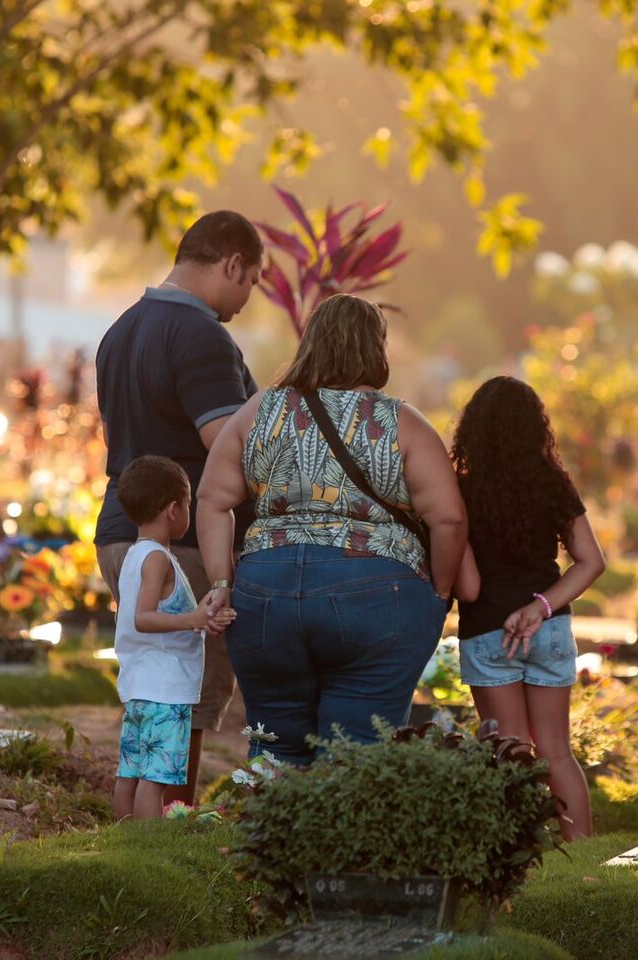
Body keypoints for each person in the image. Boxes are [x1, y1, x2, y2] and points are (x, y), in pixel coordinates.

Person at [195, 294, 468, 766]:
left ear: (311, 341)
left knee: (277, 746)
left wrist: (222, 583)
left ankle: (271, 832)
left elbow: (212, 500)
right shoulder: (399, 421)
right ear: (375, 347)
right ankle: (346, 831)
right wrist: (439, 591)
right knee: (358, 748)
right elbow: (449, 519)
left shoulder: (258, 411)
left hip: (266, 593)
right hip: (376, 590)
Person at [94, 210, 262, 802]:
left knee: (150, 686)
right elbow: (226, 440)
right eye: (249, 284)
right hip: (182, 540)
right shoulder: (203, 335)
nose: (244, 302)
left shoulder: (121, 329)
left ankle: (136, 823)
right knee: (185, 694)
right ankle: (169, 823)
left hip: (120, 531)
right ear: (232, 263)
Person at [451, 376, 606, 840]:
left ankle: (517, 860)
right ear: (534, 428)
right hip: (549, 627)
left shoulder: (461, 491)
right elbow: (591, 562)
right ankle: (580, 859)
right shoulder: (551, 484)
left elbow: (470, 587)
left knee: (509, 752)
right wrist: (540, 606)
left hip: (488, 631)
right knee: (557, 751)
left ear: (473, 430)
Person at [110, 456, 235, 820]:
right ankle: (150, 848)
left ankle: (124, 839)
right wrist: (194, 618)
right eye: (189, 505)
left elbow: (163, 611)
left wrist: (203, 615)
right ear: (173, 509)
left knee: (130, 774)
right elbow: (144, 619)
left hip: (140, 686)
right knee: (155, 779)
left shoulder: (138, 555)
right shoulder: (157, 560)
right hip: (165, 691)